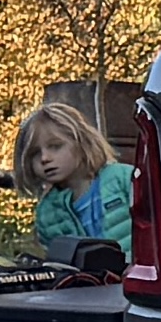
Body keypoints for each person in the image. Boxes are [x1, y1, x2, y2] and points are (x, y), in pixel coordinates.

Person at [12, 102, 133, 260]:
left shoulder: (122, 179)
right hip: (89, 283)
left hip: (140, 278)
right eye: (35, 153)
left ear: (82, 142)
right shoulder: (48, 214)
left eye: (55, 146)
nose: (44, 158)